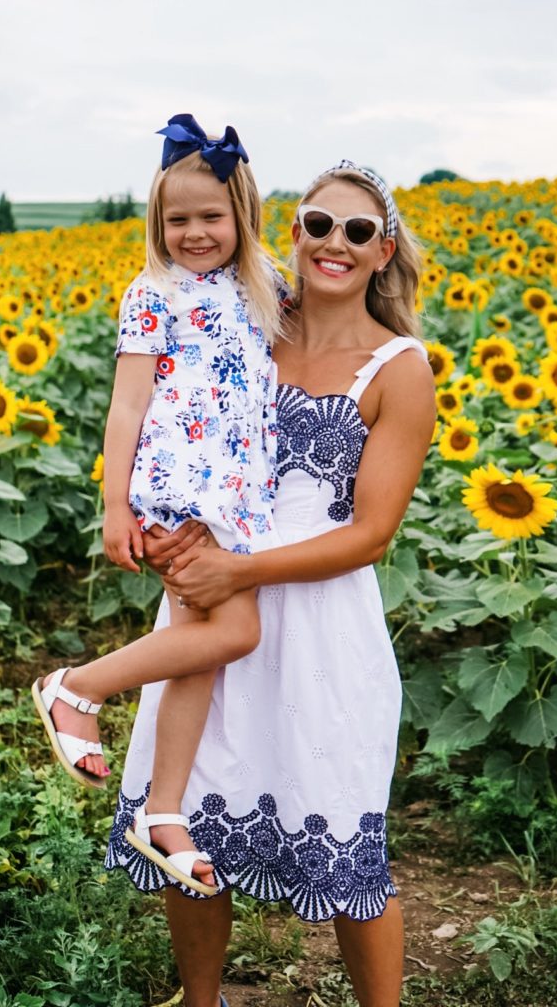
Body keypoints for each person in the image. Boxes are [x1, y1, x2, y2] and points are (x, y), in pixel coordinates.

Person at [106, 160, 436, 1007]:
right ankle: (203, 1000)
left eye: (358, 231)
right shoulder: (243, 313)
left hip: (321, 627)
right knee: (190, 824)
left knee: (347, 839)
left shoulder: (399, 367)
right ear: (290, 228)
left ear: (382, 250)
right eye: (319, 224)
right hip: (212, 597)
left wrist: (236, 566)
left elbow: (370, 534)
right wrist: (155, 515)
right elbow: (163, 410)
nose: (335, 243)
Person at [32, 114, 291, 896]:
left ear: (241, 213)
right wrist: (116, 506)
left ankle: (162, 812)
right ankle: (76, 687)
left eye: (210, 216)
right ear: (158, 224)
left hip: (239, 500)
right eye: (177, 219)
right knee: (235, 631)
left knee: (201, 651)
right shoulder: (152, 294)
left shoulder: (268, 286)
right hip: (183, 494)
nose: (194, 232)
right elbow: (127, 404)